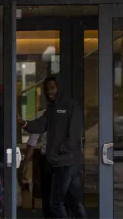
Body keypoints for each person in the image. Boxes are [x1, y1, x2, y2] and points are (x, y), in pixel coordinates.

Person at [18, 76, 86, 219]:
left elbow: (74, 136)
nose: (49, 92)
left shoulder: (72, 106)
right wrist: (23, 123)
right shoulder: (51, 109)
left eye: (52, 88)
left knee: (55, 203)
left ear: (59, 89)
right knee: (74, 202)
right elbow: (39, 125)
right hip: (61, 162)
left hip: (66, 163)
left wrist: (59, 152)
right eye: (47, 89)